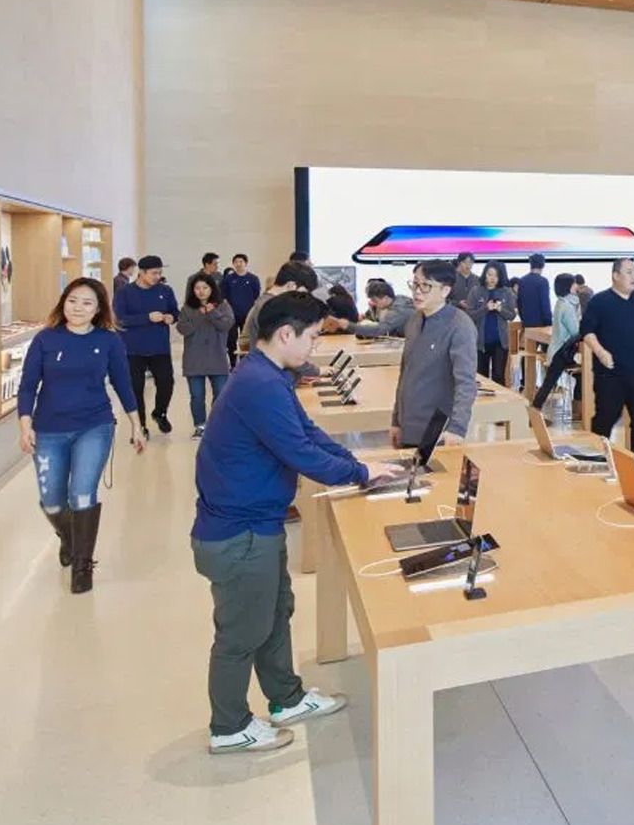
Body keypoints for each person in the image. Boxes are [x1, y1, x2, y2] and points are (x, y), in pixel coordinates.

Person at [191, 291, 406, 754]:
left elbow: (306, 432)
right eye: (311, 337)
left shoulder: (268, 374)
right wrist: (359, 473)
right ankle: (228, 727)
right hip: (239, 534)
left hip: (257, 525)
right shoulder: (260, 384)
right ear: (285, 334)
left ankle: (286, 698)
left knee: (274, 614)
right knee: (241, 633)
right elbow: (299, 452)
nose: (314, 346)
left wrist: (357, 463)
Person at [17, 277, 146, 594]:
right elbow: (28, 385)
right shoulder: (46, 339)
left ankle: (82, 566)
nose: (78, 308)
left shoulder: (109, 341)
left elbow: (123, 383)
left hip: (94, 426)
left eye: (87, 303)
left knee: (82, 494)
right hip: (49, 430)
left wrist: (136, 423)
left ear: (98, 309)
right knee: (52, 502)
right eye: (73, 300)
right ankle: (70, 537)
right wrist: (25, 425)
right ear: (63, 302)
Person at [391, 260, 478, 449]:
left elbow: (466, 383)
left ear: (445, 290)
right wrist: (396, 420)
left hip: (438, 430)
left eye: (426, 286)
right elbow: (405, 373)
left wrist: (457, 428)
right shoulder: (414, 320)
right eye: (415, 284)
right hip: (408, 424)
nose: (417, 291)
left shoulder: (460, 325)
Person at [581, 259, 634, 457]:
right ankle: (597, 460)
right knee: (605, 420)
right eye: (628, 272)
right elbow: (587, 332)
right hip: (611, 375)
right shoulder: (600, 301)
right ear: (615, 276)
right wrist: (600, 352)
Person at [115, 255, 180, 434]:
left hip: (160, 348)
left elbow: (175, 312)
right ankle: (140, 426)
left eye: (160, 273)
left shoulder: (165, 290)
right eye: (154, 273)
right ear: (141, 273)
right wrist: (147, 318)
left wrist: (172, 317)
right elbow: (120, 319)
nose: (158, 276)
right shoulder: (124, 293)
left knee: (167, 383)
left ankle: (160, 413)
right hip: (133, 350)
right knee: (136, 389)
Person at [177, 272, 235, 437]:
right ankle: (200, 425)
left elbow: (226, 325)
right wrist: (200, 314)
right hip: (194, 359)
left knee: (221, 394)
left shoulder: (223, 305)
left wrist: (213, 313)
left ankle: (216, 424)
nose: (201, 291)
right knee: (197, 396)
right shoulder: (187, 308)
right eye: (197, 288)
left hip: (217, 357)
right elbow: (183, 329)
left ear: (212, 289)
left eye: (205, 287)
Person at [529, 272, 585, 414]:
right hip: (562, 353)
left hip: (557, 351)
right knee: (550, 383)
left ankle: (535, 411)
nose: (576, 285)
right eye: (573, 283)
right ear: (568, 286)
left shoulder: (562, 302)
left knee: (550, 383)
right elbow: (575, 331)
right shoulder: (567, 306)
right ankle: (577, 411)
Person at [239, 261, 320, 350]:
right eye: (303, 294)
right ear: (291, 286)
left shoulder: (269, 303)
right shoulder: (271, 307)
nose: (303, 299)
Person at [472, 261, 515, 384]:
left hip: (500, 342)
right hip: (480, 342)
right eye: (489, 274)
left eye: (496, 276)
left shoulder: (506, 292)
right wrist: (485, 308)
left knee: (499, 377)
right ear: (484, 274)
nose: (492, 278)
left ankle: (501, 397)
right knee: (481, 379)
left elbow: (511, 315)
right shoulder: (476, 291)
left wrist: (500, 309)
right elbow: (470, 315)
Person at [221, 253, 260, 366]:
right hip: (232, 315)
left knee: (246, 340)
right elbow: (223, 296)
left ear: (246, 263)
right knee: (231, 339)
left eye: (241, 262)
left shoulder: (253, 279)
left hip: (247, 315)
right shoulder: (228, 279)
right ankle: (233, 363)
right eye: (236, 262)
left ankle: (245, 363)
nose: (238, 264)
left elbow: (256, 295)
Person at [518, 253, 553, 331]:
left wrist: (523, 319)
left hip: (526, 324)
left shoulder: (522, 280)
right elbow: (545, 304)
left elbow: (519, 303)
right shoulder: (543, 281)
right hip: (540, 326)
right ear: (543, 265)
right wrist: (549, 322)